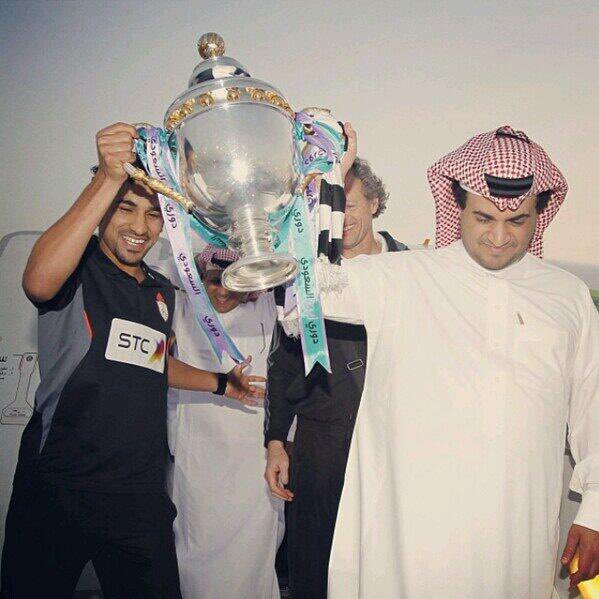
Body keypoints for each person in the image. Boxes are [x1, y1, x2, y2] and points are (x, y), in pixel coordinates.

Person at [313, 125, 599, 599]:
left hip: (518, 534)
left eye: (518, 221)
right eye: (484, 218)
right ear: (457, 206)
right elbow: (305, 294)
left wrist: (594, 513)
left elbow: (594, 407)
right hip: (413, 538)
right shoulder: (401, 278)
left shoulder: (567, 297)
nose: (500, 237)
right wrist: (327, 188)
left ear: (540, 213)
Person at [1, 123, 264, 599]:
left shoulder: (160, 289)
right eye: (126, 208)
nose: (140, 228)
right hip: (60, 487)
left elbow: (154, 363)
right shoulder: (75, 267)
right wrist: (106, 178)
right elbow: (37, 281)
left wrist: (221, 383)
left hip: (139, 495)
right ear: (104, 207)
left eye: (154, 215)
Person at [264, 125, 408, 599]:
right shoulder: (308, 273)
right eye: (332, 205)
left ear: (374, 203)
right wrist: (275, 441)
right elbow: (284, 362)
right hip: (321, 442)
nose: (341, 216)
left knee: (385, 560)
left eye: (351, 202)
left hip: (391, 443)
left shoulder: (411, 269)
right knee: (314, 559)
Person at [155, 245, 285, 599]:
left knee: (254, 556)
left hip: (253, 461)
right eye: (214, 281)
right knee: (196, 555)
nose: (223, 292)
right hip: (198, 460)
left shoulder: (266, 304)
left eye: (233, 282)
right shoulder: (182, 305)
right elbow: (155, 363)